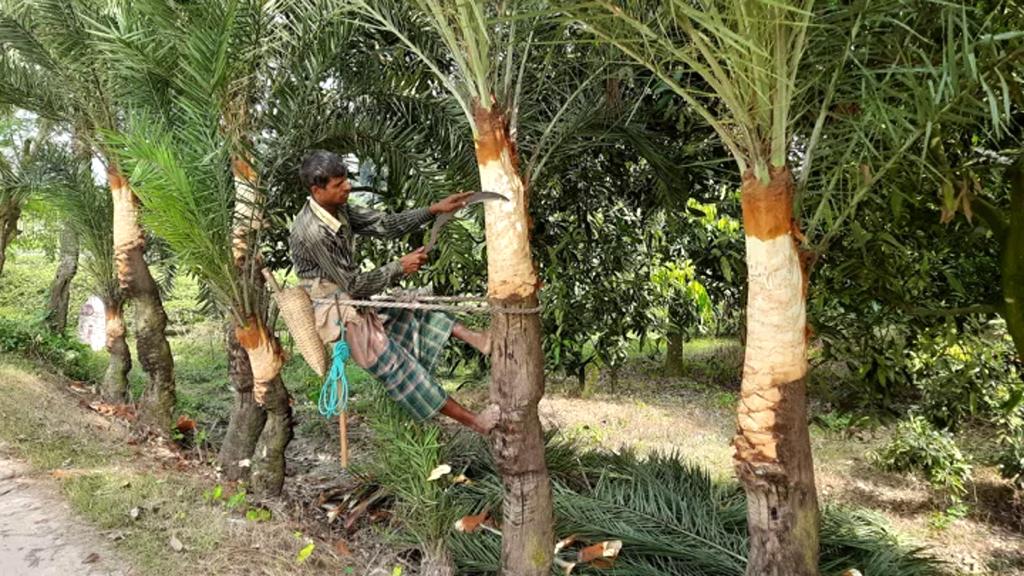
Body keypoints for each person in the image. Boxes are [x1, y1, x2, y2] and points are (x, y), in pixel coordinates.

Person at [290, 150, 497, 434]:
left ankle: (481, 340)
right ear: (317, 190)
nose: (348, 187)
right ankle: (477, 422)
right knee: (398, 369)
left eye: (346, 180)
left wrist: (432, 210)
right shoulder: (313, 230)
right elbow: (354, 286)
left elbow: (384, 225)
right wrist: (400, 266)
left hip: (352, 298)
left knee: (412, 307)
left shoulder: (337, 209)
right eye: (338, 185)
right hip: (337, 313)